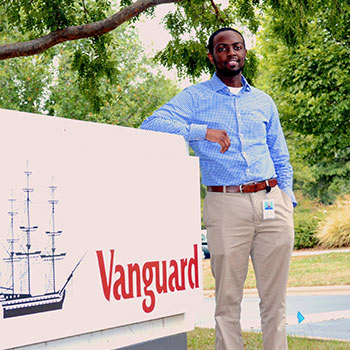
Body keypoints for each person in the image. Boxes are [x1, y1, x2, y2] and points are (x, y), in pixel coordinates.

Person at [141, 27, 295, 350]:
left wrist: (286, 198)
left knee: (275, 303)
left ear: (245, 53)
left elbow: (280, 154)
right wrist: (201, 132)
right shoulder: (196, 98)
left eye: (237, 47)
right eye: (223, 49)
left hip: (272, 203)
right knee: (227, 304)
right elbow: (152, 124)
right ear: (212, 56)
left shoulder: (263, 102)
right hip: (226, 206)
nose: (231, 53)